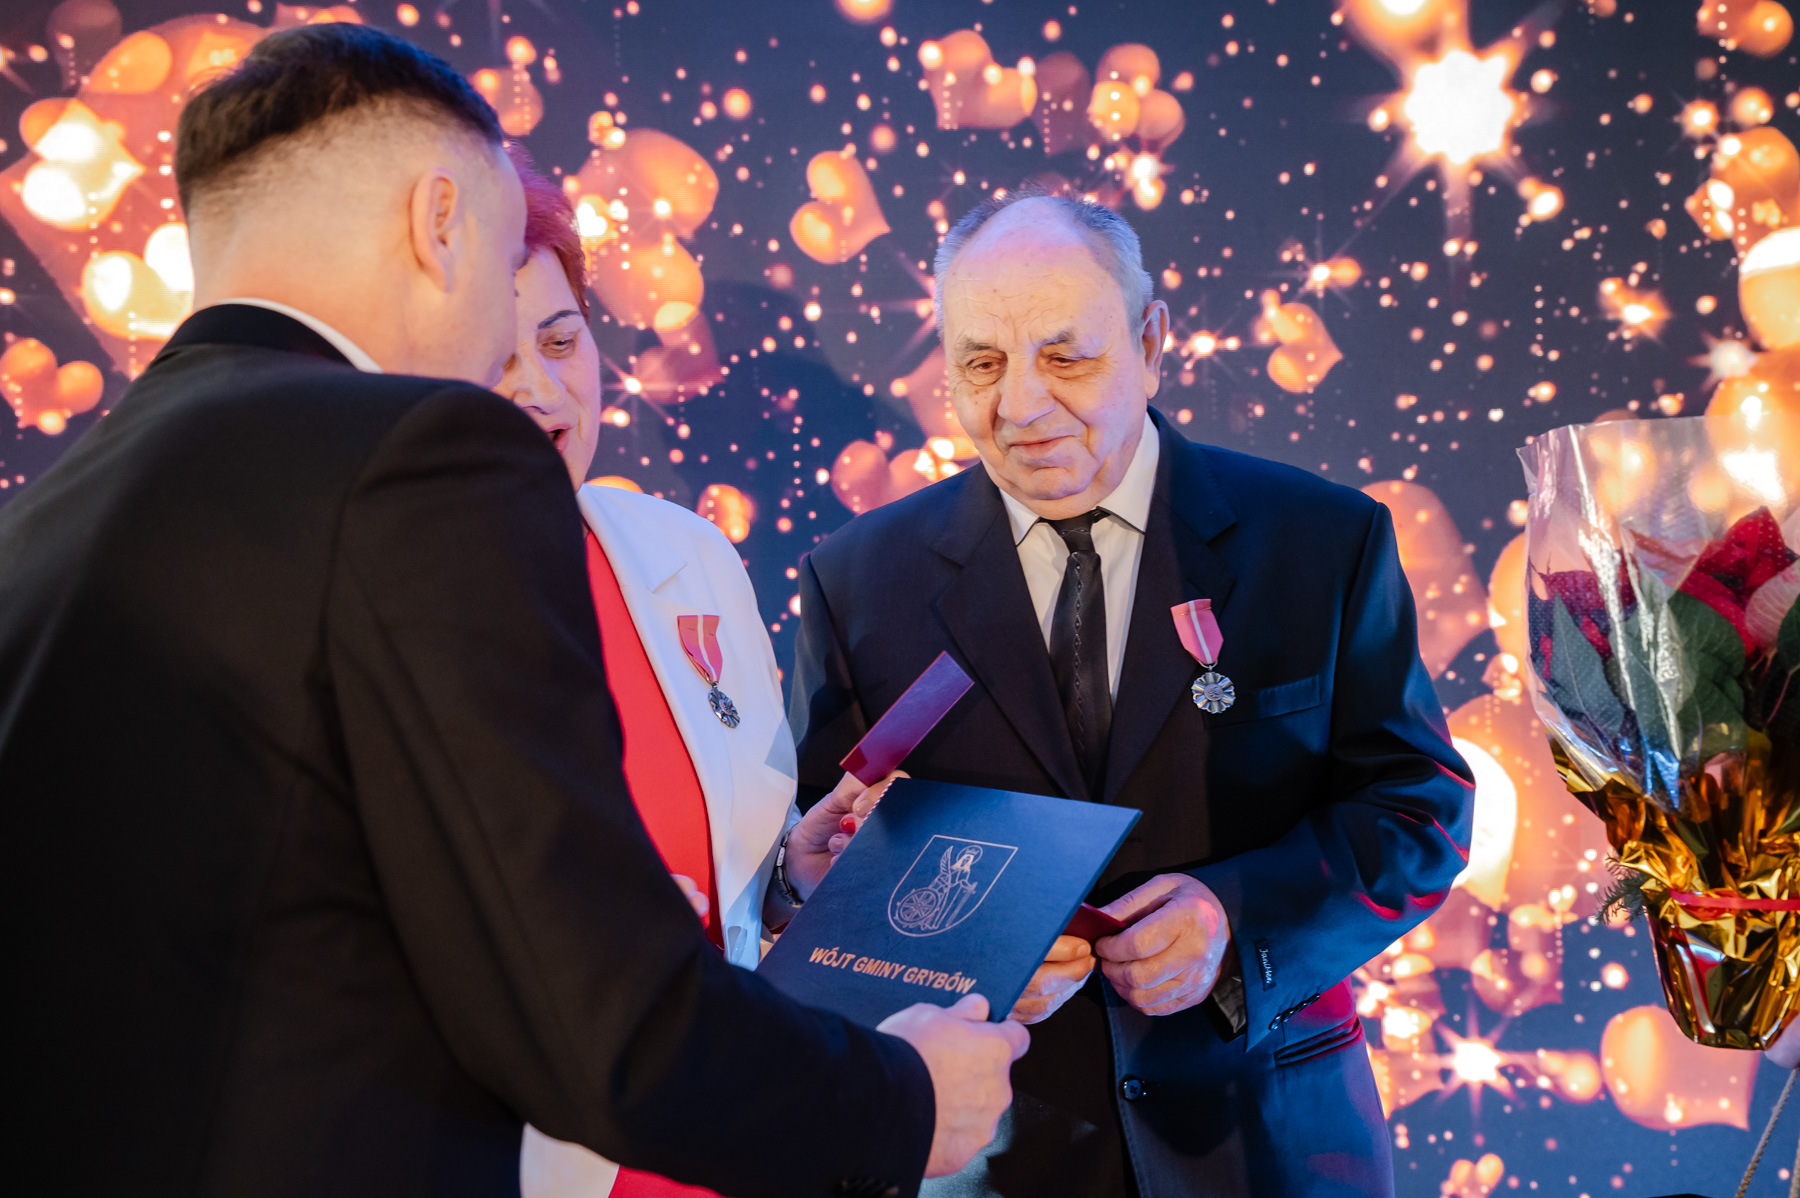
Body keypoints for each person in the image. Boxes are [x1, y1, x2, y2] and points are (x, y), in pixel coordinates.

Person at [0, 24, 1027, 1198]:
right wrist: (901, 1100)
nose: (515, 361)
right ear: (440, 218)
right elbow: (590, 1005)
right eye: (501, 276)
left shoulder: (55, 514)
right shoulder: (413, 453)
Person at [789, 188, 1475, 1198]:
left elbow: (1419, 810)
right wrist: (967, 962)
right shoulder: (855, 581)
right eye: (981, 363)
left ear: (1151, 343)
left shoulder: (1323, 541)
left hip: (1273, 1149)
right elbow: (830, 863)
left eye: (1066, 357)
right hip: (994, 1164)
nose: (1021, 405)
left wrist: (1234, 922)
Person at [498, 156, 902, 1198]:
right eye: (492, 359)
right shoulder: (378, 599)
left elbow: (730, 886)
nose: (539, 389)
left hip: (734, 1139)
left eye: (559, 340)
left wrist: (792, 871)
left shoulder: (685, 553)